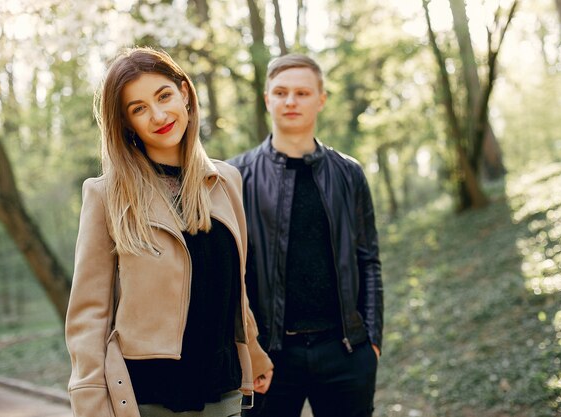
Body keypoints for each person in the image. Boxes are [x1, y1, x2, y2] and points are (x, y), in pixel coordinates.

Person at [65, 47, 273, 417]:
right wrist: (90, 402)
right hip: (148, 396)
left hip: (222, 392)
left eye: (163, 96)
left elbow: (235, 285)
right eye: (138, 108)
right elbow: (88, 316)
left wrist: (254, 350)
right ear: (126, 123)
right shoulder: (105, 195)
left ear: (185, 94)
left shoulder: (226, 181)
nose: (159, 115)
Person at [227, 53, 383, 417]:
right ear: (267, 99)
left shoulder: (349, 174)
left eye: (302, 92)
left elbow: (368, 260)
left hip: (345, 352)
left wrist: (371, 342)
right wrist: (246, 350)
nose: (291, 101)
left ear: (321, 99)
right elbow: (229, 276)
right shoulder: (236, 176)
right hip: (269, 357)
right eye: (280, 92)